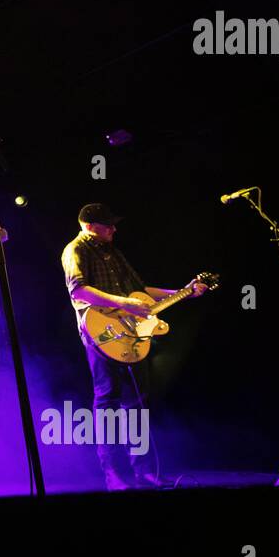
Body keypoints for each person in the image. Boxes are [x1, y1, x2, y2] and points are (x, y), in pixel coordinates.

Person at [60, 203, 209, 490]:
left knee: (137, 404)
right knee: (107, 403)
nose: (114, 229)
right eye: (108, 225)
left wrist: (183, 292)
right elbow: (78, 290)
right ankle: (112, 475)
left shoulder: (113, 252)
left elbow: (141, 291)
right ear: (90, 226)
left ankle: (145, 473)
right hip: (101, 335)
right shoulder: (75, 250)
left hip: (130, 336)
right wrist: (126, 304)